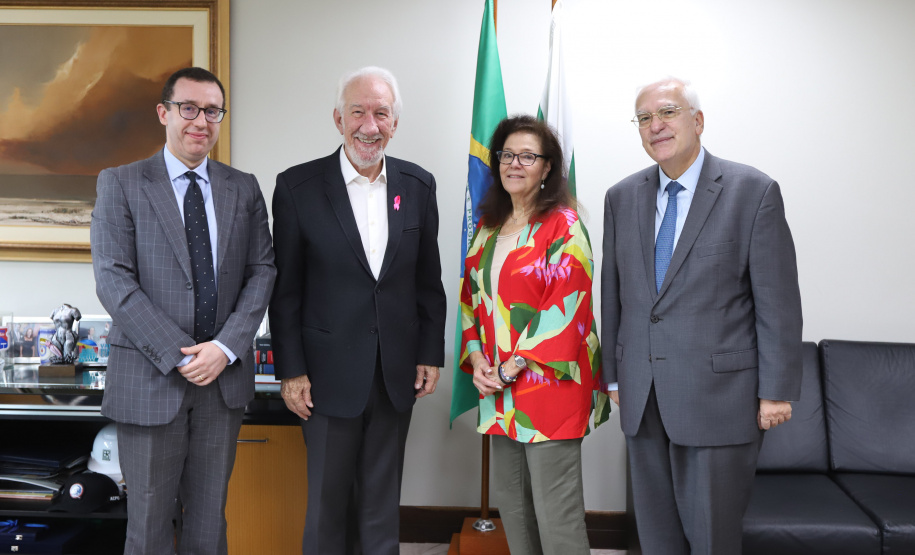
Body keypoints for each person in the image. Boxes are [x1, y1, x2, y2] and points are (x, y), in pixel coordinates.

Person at [601, 77, 803, 554]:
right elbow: (613, 295)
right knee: (656, 538)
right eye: (644, 118)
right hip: (642, 394)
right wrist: (613, 376)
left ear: (698, 120)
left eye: (667, 112)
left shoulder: (752, 191)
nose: (656, 125)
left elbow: (778, 301)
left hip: (719, 399)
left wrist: (775, 391)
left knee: (713, 538)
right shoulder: (621, 197)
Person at [91, 67, 276, 554]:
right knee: (149, 524)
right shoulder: (122, 183)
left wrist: (225, 348)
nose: (201, 121)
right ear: (164, 113)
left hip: (222, 381)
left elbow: (262, 271)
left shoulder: (243, 188)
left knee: (209, 521)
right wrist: (181, 353)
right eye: (189, 108)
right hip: (150, 379)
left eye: (212, 111)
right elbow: (114, 281)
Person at [269, 66, 447, 555]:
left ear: (395, 123)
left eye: (381, 113)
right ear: (338, 119)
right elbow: (285, 292)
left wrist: (430, 353)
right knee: (326, 511)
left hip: (395, 373)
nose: (370, 126)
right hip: (324, 378)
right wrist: (291, 371)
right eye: (358, 112)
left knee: (381, 509)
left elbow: (427, 281)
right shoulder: (297, 187)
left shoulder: (419, 185)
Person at [459, 115, 607, 554]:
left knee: (555, 514)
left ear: (547, 167)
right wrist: (479, 361)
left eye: (528, 156)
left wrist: (510, 368)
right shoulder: (488, 227)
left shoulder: (565, 225)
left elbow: (567, 307)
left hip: (549, 389)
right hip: (498, 390)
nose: (514, 164)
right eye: (507, 155)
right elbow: (471, 301)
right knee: (514, 509)